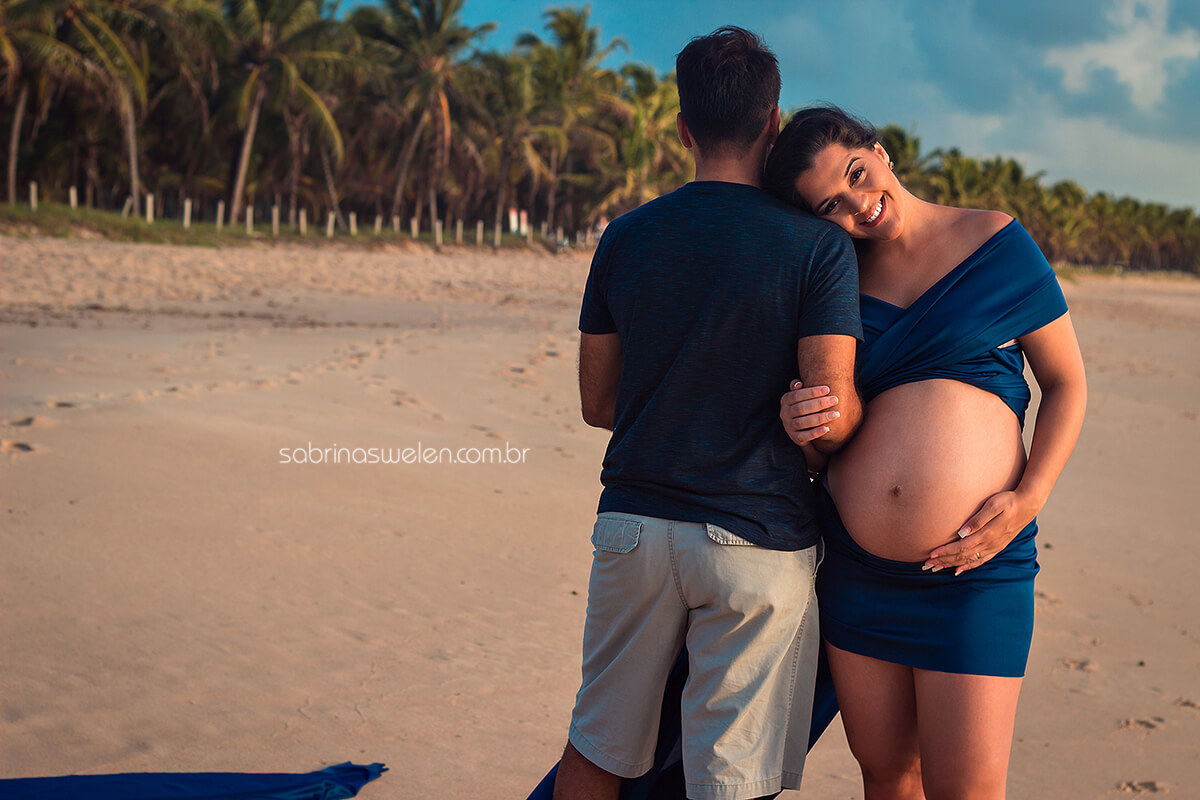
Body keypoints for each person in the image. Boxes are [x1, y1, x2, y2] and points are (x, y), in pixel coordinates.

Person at [550, 29, 864, 800]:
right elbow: (827, 414)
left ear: (683, 127)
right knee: (729, 776)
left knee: (597, 747)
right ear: (772, 122)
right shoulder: (818, 247)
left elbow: (598, 403)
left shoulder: (625, 237)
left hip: (634, 528)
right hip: (756, 539)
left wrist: (681, 390)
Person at [764, 106, 1088, 799]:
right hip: (858, 572)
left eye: (857, 174)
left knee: (966, 791)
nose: (859, 205)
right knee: (886, 779)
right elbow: (830, 433)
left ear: (879, 152)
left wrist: (1028, 498)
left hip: (976, 571)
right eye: (832, 205)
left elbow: (1067, 384)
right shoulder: (833, 277)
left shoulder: (995, 240)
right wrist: (806, 429)